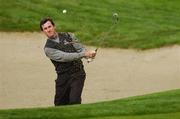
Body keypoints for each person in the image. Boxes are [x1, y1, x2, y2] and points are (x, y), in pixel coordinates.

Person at [40, 17, 96, 106]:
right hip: (63, 78)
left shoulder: (69, 36)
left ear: (54, 26)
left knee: (74, 101)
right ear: (43, 31)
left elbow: (80, 49)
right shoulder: (48, 49)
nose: (48, 30)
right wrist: (84, 54)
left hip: (78, 73)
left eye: (49, 27)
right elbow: (65, 57)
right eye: (45, 29)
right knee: (59, 105)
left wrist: (89, 55)